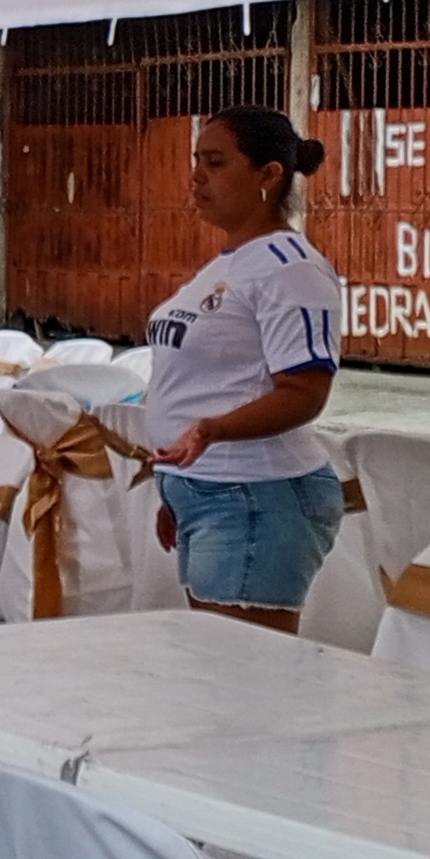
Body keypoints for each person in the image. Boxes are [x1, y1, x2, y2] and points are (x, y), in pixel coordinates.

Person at [142, 107, 345, 634]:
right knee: (218, 665)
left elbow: (303, 391)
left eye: (215, 163)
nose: (196, 177)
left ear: (268, 174)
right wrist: (179, 483)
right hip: (209, 490)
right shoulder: (229, 265)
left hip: (255, 495)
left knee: (245, 673)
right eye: (196, 161)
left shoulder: (289, 267)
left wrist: (213, 431)